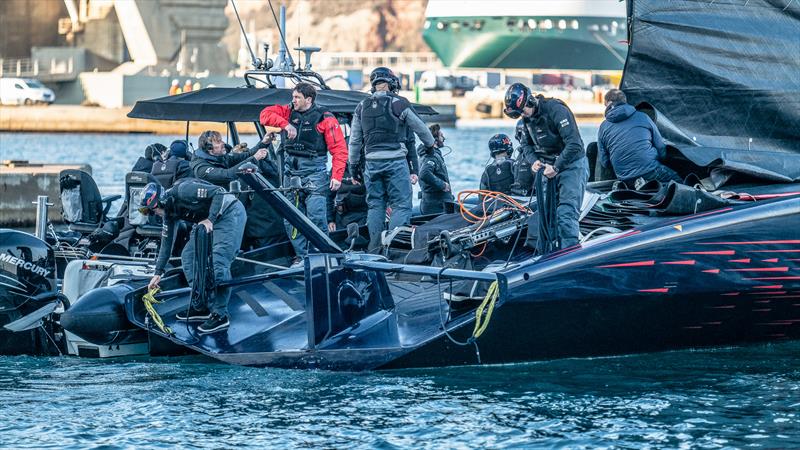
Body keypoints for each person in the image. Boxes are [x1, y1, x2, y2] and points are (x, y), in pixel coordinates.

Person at [259, 82, 348, 264]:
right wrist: (286, 125)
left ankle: (322, 256)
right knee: (291, 218)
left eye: (297, 97)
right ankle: (301, 256)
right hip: (291, 173)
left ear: (308, 99)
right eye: (293, 97)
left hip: (315, 172)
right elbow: (264, 115)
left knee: (316, 216)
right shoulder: (287, 111)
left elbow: (339, 149)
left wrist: (337, 176)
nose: (294, 100)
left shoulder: (325, 117)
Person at [349, 67, 436, 251]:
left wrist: (353, 166)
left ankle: (374, 250)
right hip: (395, 161)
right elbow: (421, 130)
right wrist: (430, 145)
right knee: (401, 205)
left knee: (375, 206)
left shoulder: (361, 106)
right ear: (391, 83)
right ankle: (393, 250)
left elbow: (355, 141)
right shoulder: (399, 103)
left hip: (371, 163)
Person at [143, 180, 246, 334]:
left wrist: (210, 219)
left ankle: (220, 315)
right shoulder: (169, 213)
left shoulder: (184, 190)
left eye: (153, 210)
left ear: (163, 201)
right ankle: (201, 305)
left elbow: (219, 191)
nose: (153, 214)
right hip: (205, 221)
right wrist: (158, 272)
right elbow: (167, 243)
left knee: (219, 262)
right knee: (188, 257)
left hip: (228, 213)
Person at [504, 82, 588, 249]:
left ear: (529, 101)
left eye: (523, 111)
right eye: (519, 113)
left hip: (571, 164)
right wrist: (533, 160)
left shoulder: (556, 109)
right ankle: (548, 253)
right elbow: (526, 145)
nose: (523, 115)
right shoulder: (526, 119)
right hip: (547, 166)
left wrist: (556, 167)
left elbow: (575, 144)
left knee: (565, 213)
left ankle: (569, 254)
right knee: (546, 215)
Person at [191, 130, 285, 250]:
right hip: (214, 208)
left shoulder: (219, 156)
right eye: (218, 142)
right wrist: (255, 159)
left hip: (229, 201)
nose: (223, 143)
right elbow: (227, 175)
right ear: (210, 150)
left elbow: (246, 154)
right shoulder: (201, 168)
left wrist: (264, 142)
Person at [597, 89, 682, 186]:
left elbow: (604, 162)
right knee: (679, 183)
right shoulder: (643, 117)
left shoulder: (603, 127)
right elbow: (661, 147)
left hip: (624, 177)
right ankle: (648, 186)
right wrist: (660, 160)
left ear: (609, 103)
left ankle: (638, 186)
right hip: (650, 170)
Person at [418, 124, 454, 214]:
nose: (444, 138)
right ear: (435, 139)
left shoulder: (427, 154)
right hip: (436, 206)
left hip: (434, 203)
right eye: (441, 136)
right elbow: (424, 174)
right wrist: (442, 185)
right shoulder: (431, 156)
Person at [326, 166, 368, 231]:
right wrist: (330, 220)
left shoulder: (365, 166)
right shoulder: (337, 168)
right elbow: (329, 196)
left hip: (363, 215)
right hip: (341, 217)